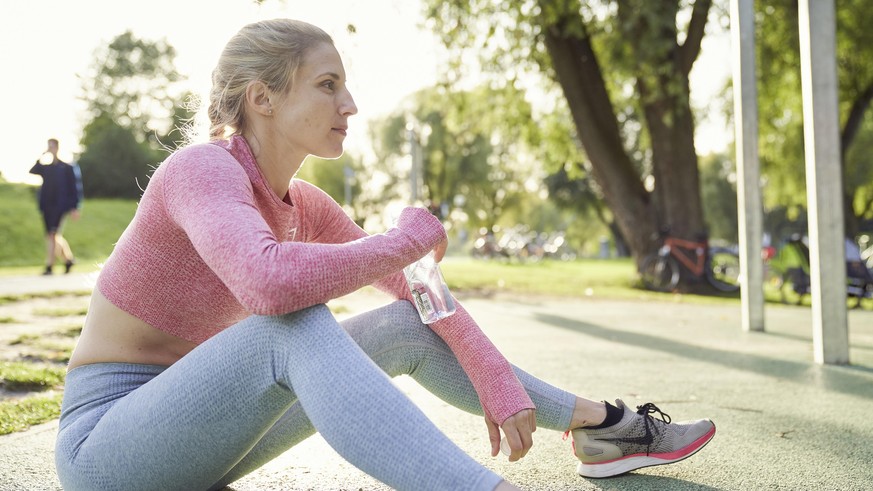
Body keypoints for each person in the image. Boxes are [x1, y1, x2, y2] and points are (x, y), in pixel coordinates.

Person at [54, 19, 715, 491]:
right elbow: (269, 285)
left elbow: (416, 286)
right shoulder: (201, 170)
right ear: (263, 97)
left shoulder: (303, 203)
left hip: (203, 437)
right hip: (107, 446)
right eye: (327, 84)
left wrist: (490, 371)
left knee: (405, 324)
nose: (350, 104)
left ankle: (602, 426)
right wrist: (403, 238)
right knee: (294, 321)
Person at [29, 138, 82, 275]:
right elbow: (32, 170)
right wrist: (42, 155)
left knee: (53, 234)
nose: (51, 148)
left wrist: (75, 207)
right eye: (49, 146)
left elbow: (75, 188)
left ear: (57, 147)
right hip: (47, 206)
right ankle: (68, 260)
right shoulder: (46, 168)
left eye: (52, 146)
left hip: (61, 206)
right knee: (52, 236)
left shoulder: (67, 167)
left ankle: (49, 266)